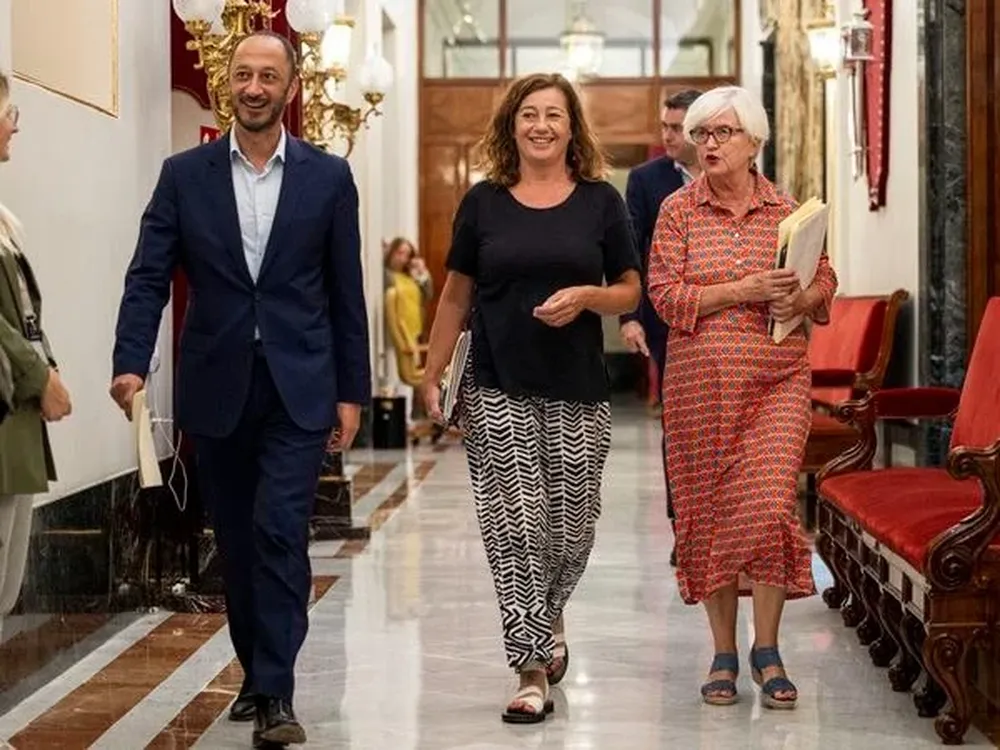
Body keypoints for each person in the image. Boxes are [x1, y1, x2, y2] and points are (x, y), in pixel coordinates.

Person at [109, 32, 369, 747]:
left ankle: (277, 691)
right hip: (217, 385)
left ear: (291, 88)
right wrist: (131, 360)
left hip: (298, 386)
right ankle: (257, 673)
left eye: (269, 76)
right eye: (243, 74)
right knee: (234, 539)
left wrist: (353, 390)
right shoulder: (183, 174)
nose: (254, 87)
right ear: (229, 85)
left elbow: (347, 292)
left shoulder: (327, 178)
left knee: (279, 531)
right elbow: (147, 276)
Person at [420, 72, 640, 724]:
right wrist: (431, 374)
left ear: (573, 128)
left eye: (554, 115)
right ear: (511, 125)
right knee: (515, 526)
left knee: (571, 529)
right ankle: (530, 665)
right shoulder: (483, 202)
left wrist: (588, 297)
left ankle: (549, 615)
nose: (541, 125)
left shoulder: (600, 202)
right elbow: (456, 294)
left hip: (579, 388)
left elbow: (630, 290)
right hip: (497, 384)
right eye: (529, 114)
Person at [647, 85, 837, 710]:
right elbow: (667, 298)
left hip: (778, 381)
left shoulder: (789, 210)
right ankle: (726, 651)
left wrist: (802, 298)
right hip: (699, 391)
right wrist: (745, 287)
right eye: (700, 134)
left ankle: (770, 645)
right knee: (709, 514)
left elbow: (824, 275)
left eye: (722, 133)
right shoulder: (677, 211)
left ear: (754, 141)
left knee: (767, 504)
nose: (708, 144)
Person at [0, 70, 73, 631]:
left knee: (6, 580)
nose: (13, 128)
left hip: (16, 418)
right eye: (9, 114)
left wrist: (46, 366)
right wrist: (36, 375)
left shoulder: (5, 219)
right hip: (8, 402)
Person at [618, 88, 702, 567]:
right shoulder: (646, 180)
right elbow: (631, 251)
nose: (666, 136)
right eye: (664, 126)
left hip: (729, 322)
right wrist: (630, 317)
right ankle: (684, 529)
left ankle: (727, 528)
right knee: (682, 426)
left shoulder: (733, 173)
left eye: (675, 128)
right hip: (669, 321)